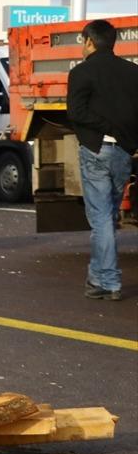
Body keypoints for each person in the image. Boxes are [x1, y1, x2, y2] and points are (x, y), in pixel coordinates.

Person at [68, 19, 138, 301]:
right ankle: (97, 279)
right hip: (123, 152)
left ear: (89, 41)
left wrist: (104, 129)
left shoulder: (82, 72)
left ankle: (109, 281)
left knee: (100, 218)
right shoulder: (133, 72)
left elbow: (76, 112)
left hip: (96, 150)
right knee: (107, 216)